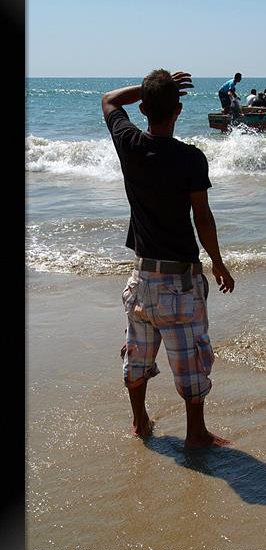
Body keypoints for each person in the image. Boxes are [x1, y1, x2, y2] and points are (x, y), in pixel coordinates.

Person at [102, 69, 234, 449]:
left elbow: (109, 99)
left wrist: (149, 88)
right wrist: (218, 263)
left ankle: (140, 421)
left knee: (137, 356)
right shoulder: (191, 158)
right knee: (192, 360)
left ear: (143, 108)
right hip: (181, 280)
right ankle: (195, 433)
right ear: (178, 110)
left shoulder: (129, 143)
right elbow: (202, 217)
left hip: (142, 279)